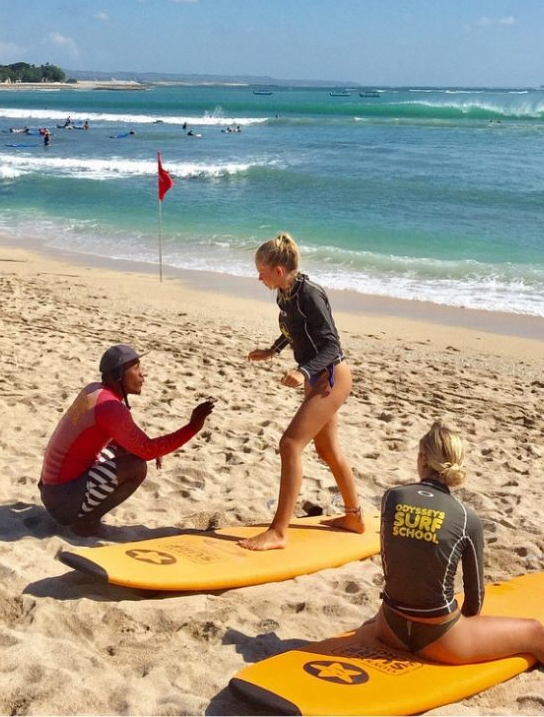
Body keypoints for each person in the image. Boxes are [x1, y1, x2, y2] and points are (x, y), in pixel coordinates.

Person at [374, 420, 544, 672]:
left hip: (387, 627)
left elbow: (392, 563)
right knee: (534, 633)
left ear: (422, 458)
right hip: (439, 641)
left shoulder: (392, 498)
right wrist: (462, 624)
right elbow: (474, 602)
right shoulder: (467, 517)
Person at [241, 232, 363, 550]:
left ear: (279, 270)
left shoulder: (309, 294)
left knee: (290, 444)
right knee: (327, 451)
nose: (259, 277)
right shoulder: (285, 293)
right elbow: (294, 328)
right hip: (317, 378)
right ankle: (354, 517)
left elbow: (332, 345)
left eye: (262, 272)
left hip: (331, 376)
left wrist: (303, 370)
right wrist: (272, 350)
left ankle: (279, 531)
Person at [38, 344, 215, 536]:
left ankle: (84, 514)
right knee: (136, 467)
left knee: (126, 450)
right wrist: (192, 427)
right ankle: (86, 523)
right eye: (136, 368)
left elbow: (107, 435)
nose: (142, 374)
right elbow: (147, 450)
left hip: (51, 489)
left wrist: (146, 449)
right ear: (118, 376)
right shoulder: (110, 407)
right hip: (63, 501)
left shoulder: (94, 391)